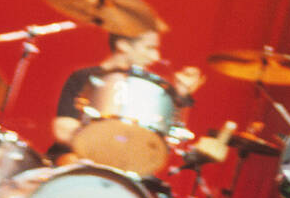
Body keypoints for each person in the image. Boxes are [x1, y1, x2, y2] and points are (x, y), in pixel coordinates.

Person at [48, 28, 204, 164]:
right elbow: (63, 129)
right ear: (123, 44)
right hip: (74, 160)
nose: (155, 57)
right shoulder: (84, 77)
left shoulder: (147, 88)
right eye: (149, 48)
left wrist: (181, 96)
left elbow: (166, 141)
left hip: (121, 168)